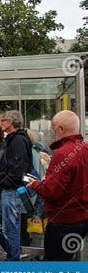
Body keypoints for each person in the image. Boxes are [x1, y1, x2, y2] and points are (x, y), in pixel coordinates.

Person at [27, 110, 88, 261]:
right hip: (82, 218)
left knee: (55, 265)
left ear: (61, 129)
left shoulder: (62, 153)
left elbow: (51, 193)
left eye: (53, 128)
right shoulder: (85, 148)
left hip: (63, 222)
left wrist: (35, 184)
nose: (53, 132)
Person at [0, 110, 32, 261]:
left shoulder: (18, 140)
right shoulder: (13, 139)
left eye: (3, 120)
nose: (1, 122)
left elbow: (17, 169)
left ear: (10, 123)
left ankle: (14, 259)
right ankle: (12, 254)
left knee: (10, 228)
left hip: (12, 190)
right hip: (8, 189)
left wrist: (3, 181)